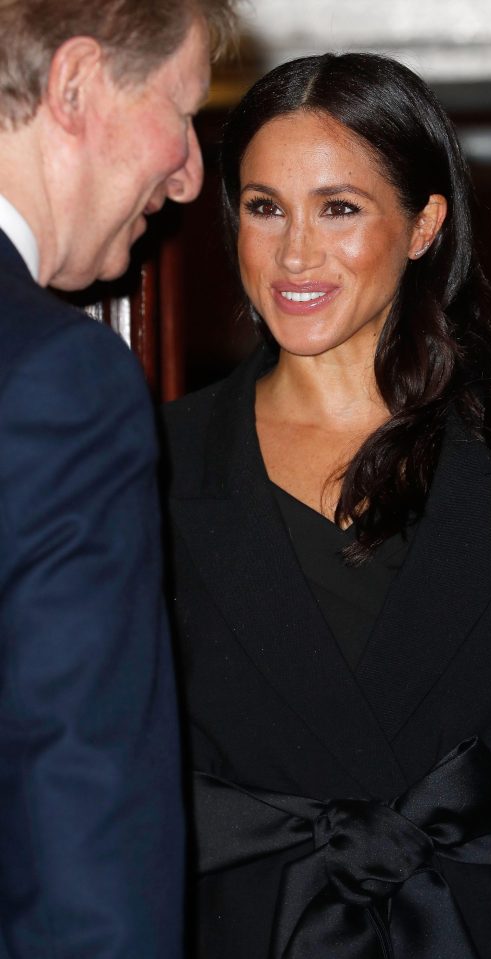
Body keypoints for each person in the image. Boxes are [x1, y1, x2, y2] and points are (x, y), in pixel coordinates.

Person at [162, 53, 491, 959]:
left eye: (339, 208)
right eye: (264, 206)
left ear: (424, 222)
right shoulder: (153, 463)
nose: (294, 253)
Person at [0, 1, 234, 956]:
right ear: (76, 84)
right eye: (181, 111)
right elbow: (83, 803)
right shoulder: (60, 381)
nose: (188, 177)